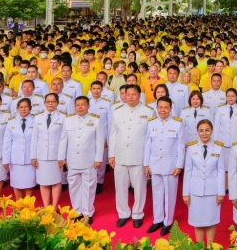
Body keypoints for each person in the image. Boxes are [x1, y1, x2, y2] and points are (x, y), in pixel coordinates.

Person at [109, 84, 153, 228]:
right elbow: (113, 134)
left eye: (134, 94)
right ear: (124, 95)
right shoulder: (117, 111)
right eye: (128, 94)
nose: (131, 97)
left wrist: (148, 160)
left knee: (139, 187)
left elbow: (150, 138)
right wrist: (111, 155)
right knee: (120, 187)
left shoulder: (149, 111)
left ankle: (137, 214)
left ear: (139, 95)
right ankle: (123, 213)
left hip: (138, 156)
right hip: (120, 154)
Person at [58, 96, 105, 225]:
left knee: (89, 187)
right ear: (74, 106)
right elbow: (63, 140)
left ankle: (88, 212)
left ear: (88, 106)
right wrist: (61, 158)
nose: (80, 107)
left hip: (89, 160)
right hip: (72, 160)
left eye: (83, 104)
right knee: (73, 187)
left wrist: (98, 159)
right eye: (77, 105)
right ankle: (77, 211)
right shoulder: (68, 120)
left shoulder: (95, 120)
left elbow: (100, 141)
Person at [144, 96, 185, 236]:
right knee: (156, 193)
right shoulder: (151, 123)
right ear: (156, 108)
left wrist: (179, 166)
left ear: (171, 109)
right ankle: (157, 220)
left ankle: (168, 222)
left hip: (170, 166)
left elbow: (180, 147)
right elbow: (147, 145)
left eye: (166, 107)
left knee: (170, 195)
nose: (163, 110)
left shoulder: (177, 124)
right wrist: (146, 164)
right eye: (160, 107)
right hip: (155, 164)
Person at [182, 119, 225, 246]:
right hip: (195, 191)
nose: (204, 133)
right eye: (201, 130)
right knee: (198, 221)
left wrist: (221, 192)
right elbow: (188, 171)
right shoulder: (191, 147)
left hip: (212, 191)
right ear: (197, 132)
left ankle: (210, 247)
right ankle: (199, 247)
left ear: (212, 131)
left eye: (207, 130)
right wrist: (185, 193)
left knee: (211, 220)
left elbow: (221, 171)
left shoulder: (218, 147)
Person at [31, 93, 65, 209]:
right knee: (43, 181)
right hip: (41, 155)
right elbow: (34, 138)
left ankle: (54, 207)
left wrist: (62, 157)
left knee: (56, 181)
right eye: (48, 101)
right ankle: (46, 207)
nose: (50, 103)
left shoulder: (63, 117)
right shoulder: (38, 117)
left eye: (53, 101)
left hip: (56, 155)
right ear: (44, 103)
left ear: (57, 103)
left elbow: (64, 139)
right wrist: (33, 156)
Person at [3, 98, 36, 200]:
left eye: (26, 107)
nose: (23, 109)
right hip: (15, 158)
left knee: (30, 183)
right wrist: (5, 160)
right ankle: (18, 204)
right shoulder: (11, 122)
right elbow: (7, 142)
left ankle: (28, 205)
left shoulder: (35, 120)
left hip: (30, 157)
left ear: (30, 108)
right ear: (17, 108)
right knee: (16, 183)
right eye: (21, 107)